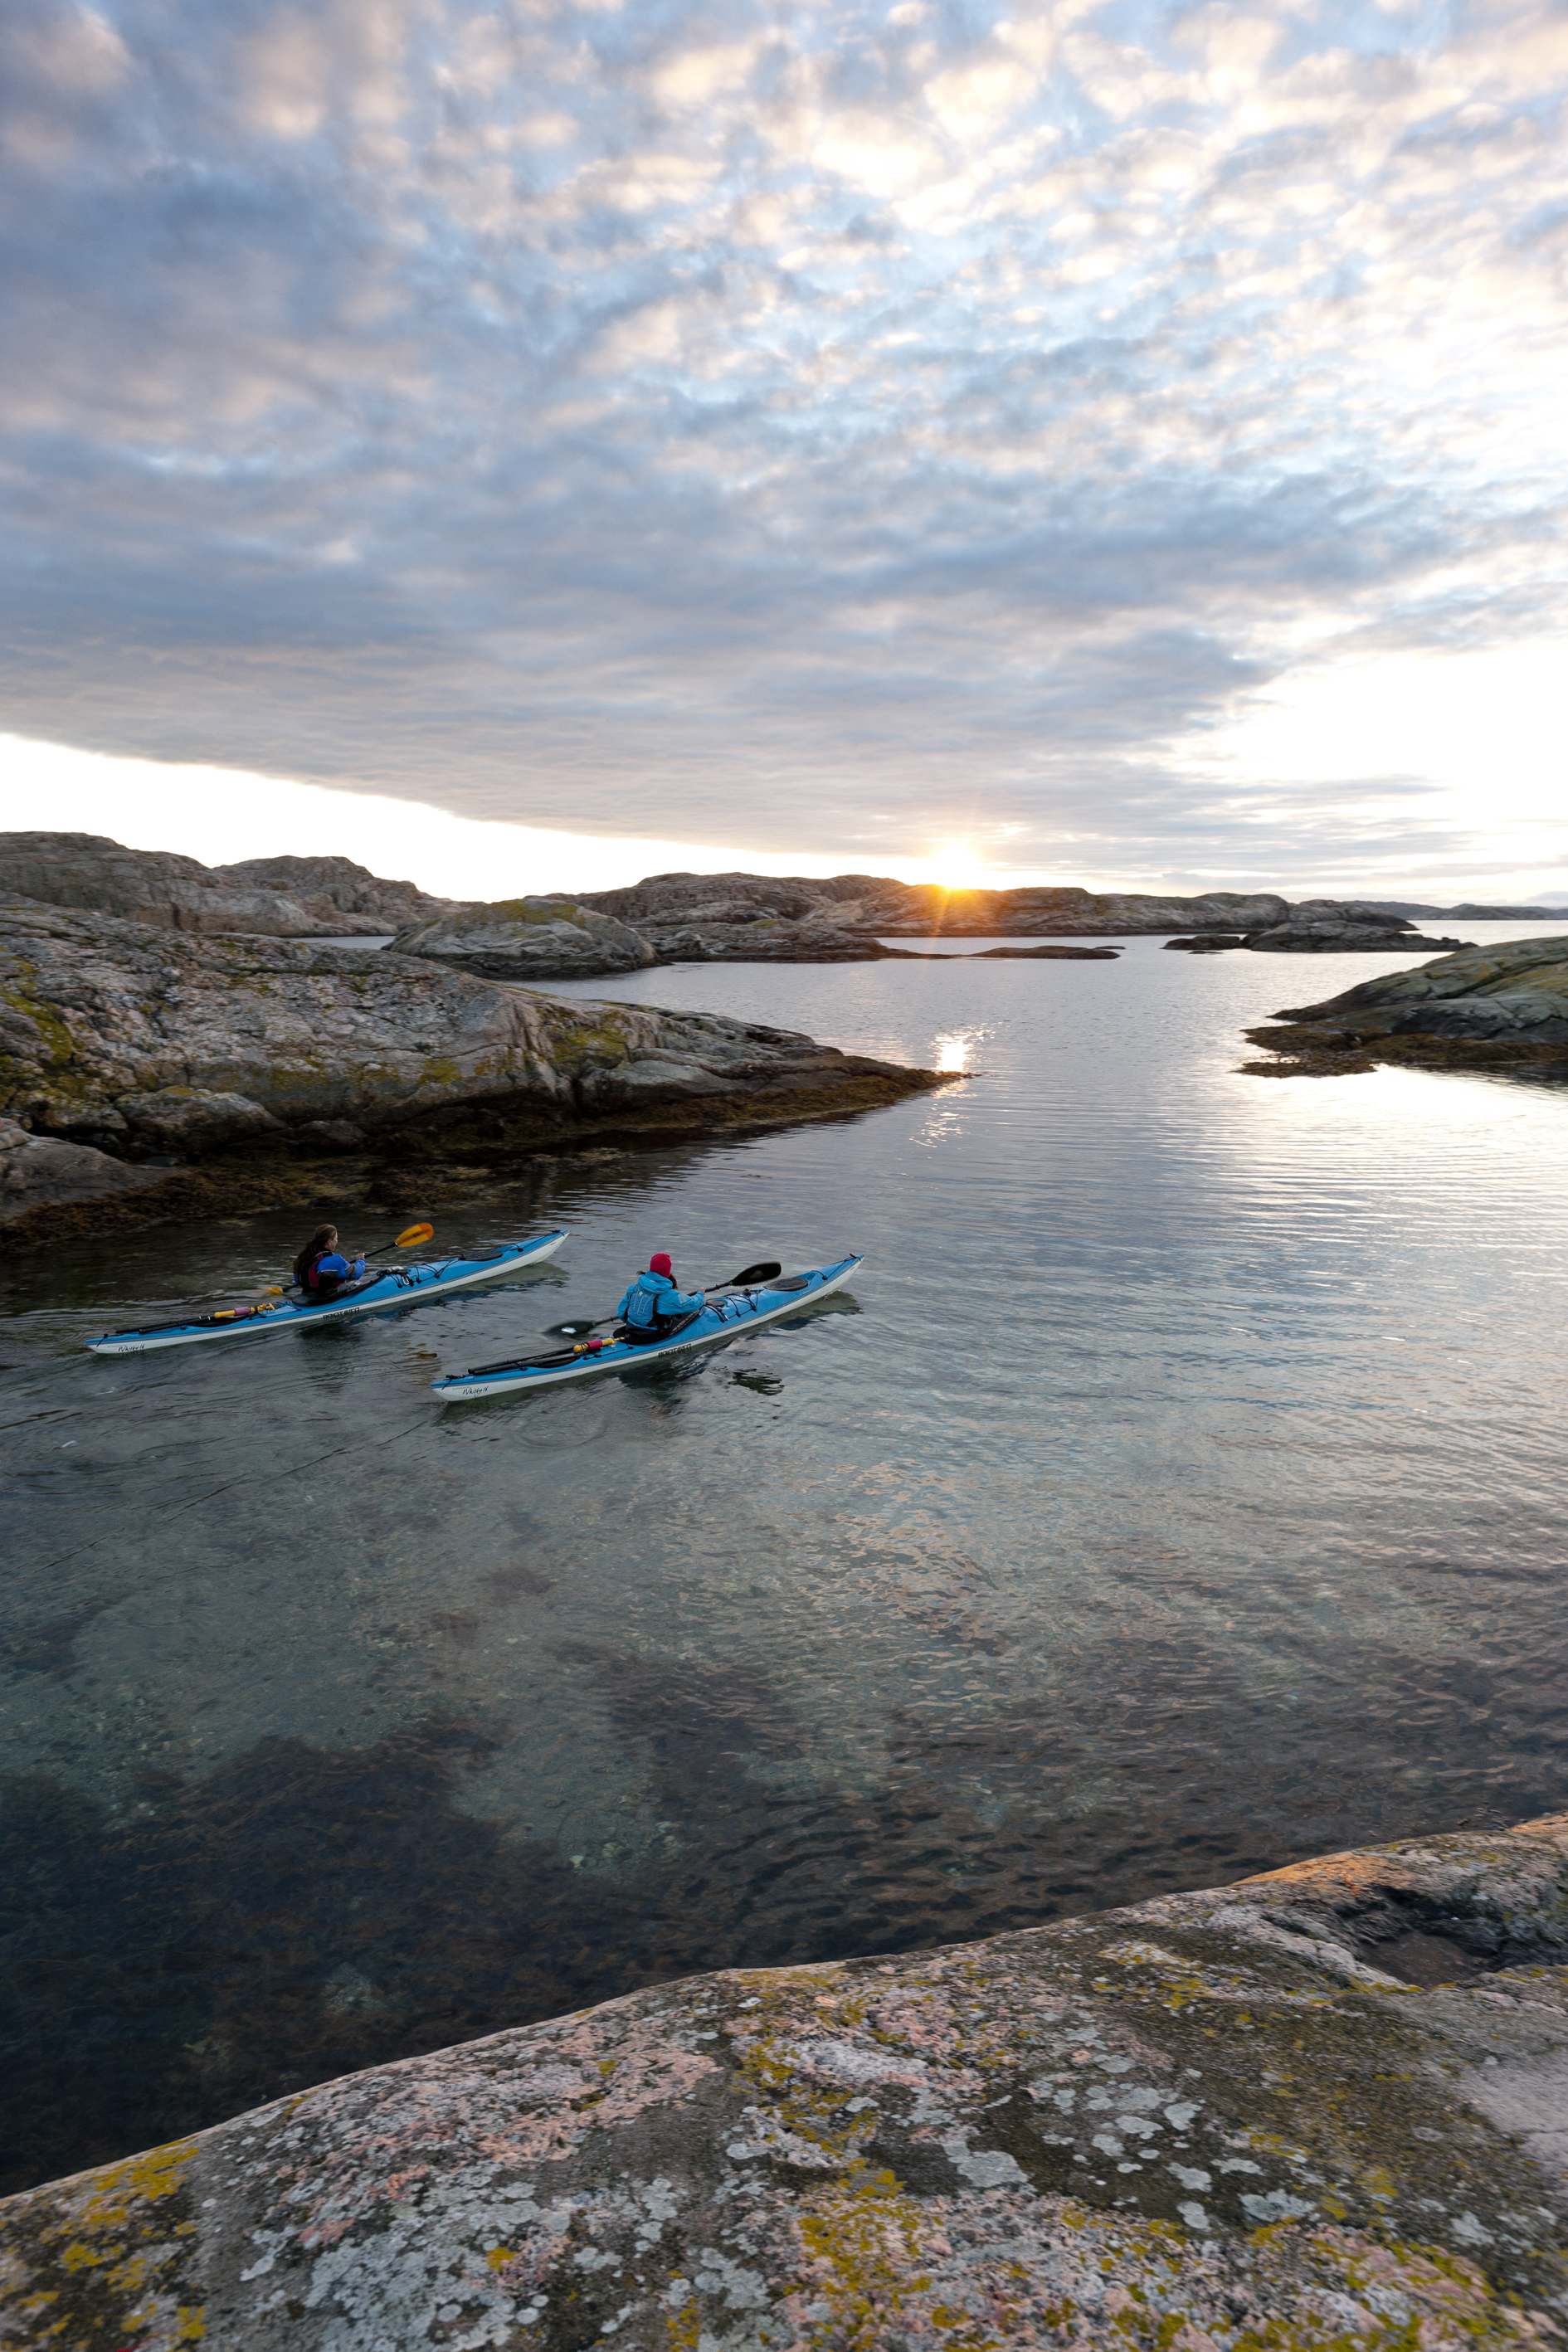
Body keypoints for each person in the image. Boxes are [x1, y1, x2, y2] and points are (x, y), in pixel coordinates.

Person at [616, 1252, 705, 1344]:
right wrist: (700, 1294)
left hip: (630, 1328)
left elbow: (621, 1312)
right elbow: (693, 1305)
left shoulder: (633, 1288)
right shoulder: (668, 1295)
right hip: (650, 1334)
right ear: (668, 1271)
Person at [292, 1223, 367, 1303]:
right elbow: (356, 1273)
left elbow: (297, 1279)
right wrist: (360, 1260)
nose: (337, 1241)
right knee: (353, 1282)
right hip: (327, 1297)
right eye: (336, 1238)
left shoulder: (306, 1256)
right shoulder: (334, 1261)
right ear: (329, 1242)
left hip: (307, 1295)